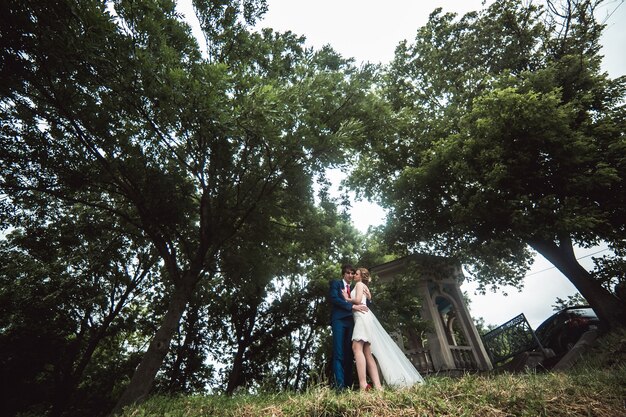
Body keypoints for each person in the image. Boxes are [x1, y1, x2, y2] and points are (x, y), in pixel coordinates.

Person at [344, 267, 424, 388]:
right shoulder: (363, 286)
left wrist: (346, 298)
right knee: (367, 352)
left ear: (360, 276)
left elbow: (358, 300)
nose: (354, 275)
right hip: (365, 317)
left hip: (361, 317)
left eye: (356, 274)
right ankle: (378, 386)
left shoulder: (359, 285)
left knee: (356, 348)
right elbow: (367, 299)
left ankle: (363, 384)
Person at [328, 264, 368, 390]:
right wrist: (351, 306)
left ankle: (349, 386)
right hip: (339, 320)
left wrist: (367, 295)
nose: (350, 275)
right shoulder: (336, 284)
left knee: (350, 354)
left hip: (351, 322)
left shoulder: (356, 287)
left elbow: (362, 302)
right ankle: (340, 388)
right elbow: (334, 298)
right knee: (338, 353)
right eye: (348, 273)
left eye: (352, 273)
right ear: (343, 274)